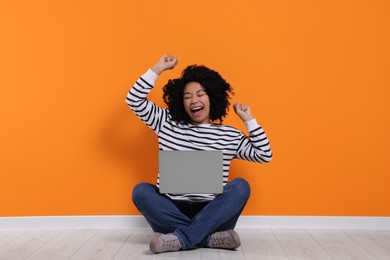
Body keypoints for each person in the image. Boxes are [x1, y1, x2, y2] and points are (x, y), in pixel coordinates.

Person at [126, 54, 272, 254]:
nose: (194, 100)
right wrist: (157, 69)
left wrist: (249, 120)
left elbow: (264, 153)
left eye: (201, 94)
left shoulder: (229, 134)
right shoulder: (166, 123)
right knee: (141, 191)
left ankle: (182, 238)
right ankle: (209, 238)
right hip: (172, 207)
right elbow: (134, 100)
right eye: (187, 96)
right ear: (181, 102)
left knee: (240, 186)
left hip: (213, 209)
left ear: (212, 97)